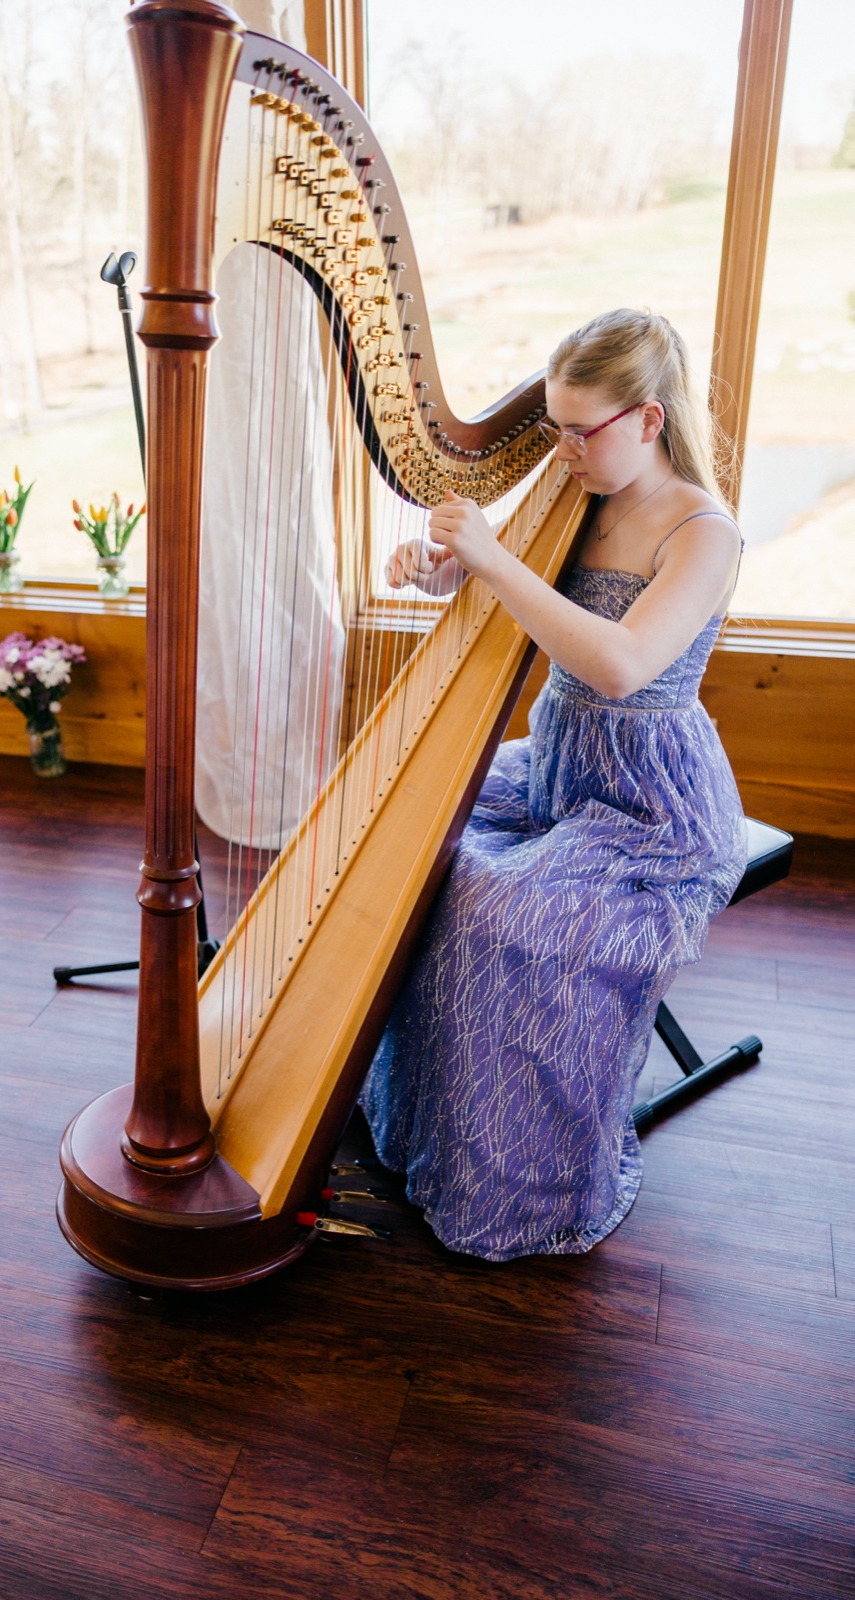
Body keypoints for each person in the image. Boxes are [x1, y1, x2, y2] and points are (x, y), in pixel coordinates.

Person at [360, 308, 746, 1263]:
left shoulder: (702, 531)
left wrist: (493, 557)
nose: (562, 449)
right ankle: (427, 1126)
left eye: (582, 431)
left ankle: (516, 1180)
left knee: (502, 913)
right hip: (557, 765)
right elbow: (485, 583)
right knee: (415, 840)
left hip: (651, 802)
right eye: (554, 429)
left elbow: (619, 665)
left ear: (648, 422)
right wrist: (435, 569)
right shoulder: (576, 493)